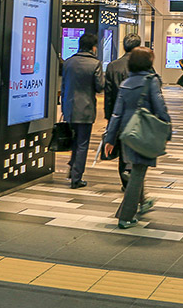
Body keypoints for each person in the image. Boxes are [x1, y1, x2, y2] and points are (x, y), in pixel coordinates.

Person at [104, 47, 171, 229]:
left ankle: (142, 201)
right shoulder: (151, 81)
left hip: (127, 133)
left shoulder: (126, 83)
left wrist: (110, 138)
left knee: (136, 169)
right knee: (138, 172)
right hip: (144, 132)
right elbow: (160, 108)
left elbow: (116, 114)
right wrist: (167, 129)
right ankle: (125, 216)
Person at [61, 33, 104, 189]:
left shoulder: (69, 62)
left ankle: (72, 169)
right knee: (82, 143)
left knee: (73, 140)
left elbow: (63, 86)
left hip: (69, 108)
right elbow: (100, 87)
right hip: (85, 109)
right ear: (93, 47)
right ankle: (76, 178)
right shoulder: (95, 64)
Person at [104, 32, 143, 190]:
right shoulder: (143, 65)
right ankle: (134, 181)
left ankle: (126, 180)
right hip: (139, 115)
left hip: (119, 113)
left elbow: (108, 94)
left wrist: (109, 116)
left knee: (122, 147)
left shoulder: (113, 66)